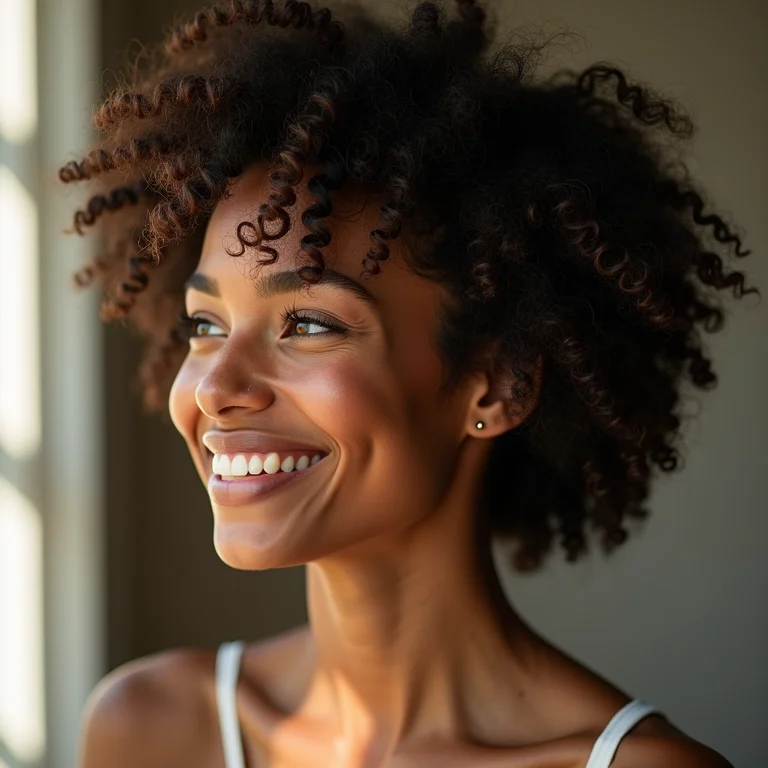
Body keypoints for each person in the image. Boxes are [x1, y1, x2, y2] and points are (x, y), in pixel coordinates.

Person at [61, 0, 756, 765]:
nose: (215, 386)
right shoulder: (150, 730)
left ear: (497, 385)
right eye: (206, 326)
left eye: (310, 324)